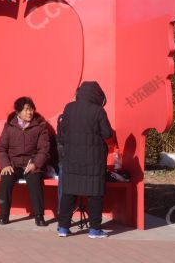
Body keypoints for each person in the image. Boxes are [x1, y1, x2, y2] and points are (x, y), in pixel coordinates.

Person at [57, 81, 112, 239]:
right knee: (95, 193)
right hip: (93, 161)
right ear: (96, 94)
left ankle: (63, 228)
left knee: (69, 192)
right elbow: (107, 134)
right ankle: (94, 230)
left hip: (72, 159)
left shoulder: (69, 108)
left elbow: (63, 132)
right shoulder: (98, 111)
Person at [0, 96, 50, 226]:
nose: (30, 112)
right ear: (18, 112)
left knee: (35, 180)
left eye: (31, 109)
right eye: (26, 110)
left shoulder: (40, 126)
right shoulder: (9, 127)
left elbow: (44, 150)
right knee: (5, 180)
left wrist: (35, 164)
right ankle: (3, 216)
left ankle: (39, 216)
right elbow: (1, 148)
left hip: (31, 164)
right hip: (13, 165)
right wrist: (5, 165)